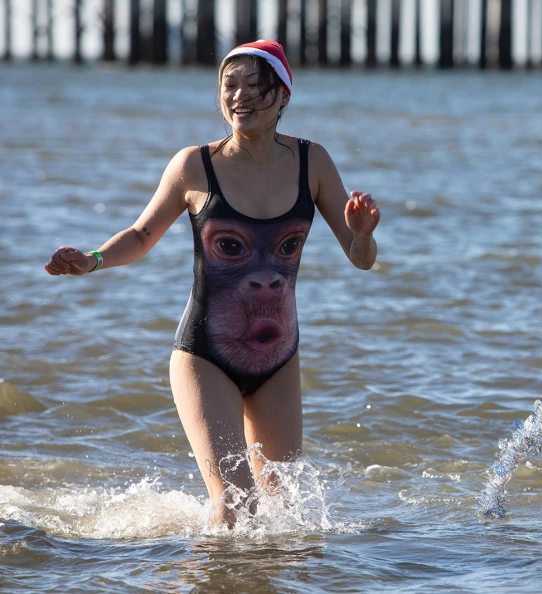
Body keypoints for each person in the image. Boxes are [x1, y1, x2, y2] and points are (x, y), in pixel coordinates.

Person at [45, 40, 380, 526]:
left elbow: (360, 259)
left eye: (254, 86)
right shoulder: (194, 166)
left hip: (278, 358)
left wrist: (364, 235)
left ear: (283, 95)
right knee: (234, 506)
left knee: (285, 515)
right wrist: (92, 260)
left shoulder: (313, 164)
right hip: (206, 355)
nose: (239, 96)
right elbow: (141, 235)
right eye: (230, 86)